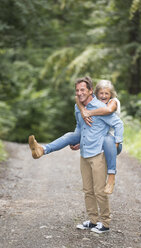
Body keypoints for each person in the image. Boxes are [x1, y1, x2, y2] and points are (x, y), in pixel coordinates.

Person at [29, 76, 123, 233]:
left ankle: (105, 224)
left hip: (99, 154)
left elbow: (118, 124)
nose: (79, 93)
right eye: (77, 90)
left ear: (91, 91)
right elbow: (80, 128)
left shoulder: (100, 107)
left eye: (83, 90)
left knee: (99, 191)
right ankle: (93, 221)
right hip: (85, 153)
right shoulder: (77, 107)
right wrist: (78, 140)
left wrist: (117, 142)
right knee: (87, 190)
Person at [75, 80, 122, 194]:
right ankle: (44, 149)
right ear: (96, 93)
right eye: (101, 93)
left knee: (107, 140)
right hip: (98, 140)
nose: (103, 96)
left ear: (111, 94)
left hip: (112, 141)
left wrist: (88, 113)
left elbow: (108, 110)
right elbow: (77, 99)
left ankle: (111, 178)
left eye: (106, 93)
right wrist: (82, 110)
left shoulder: (113, 102)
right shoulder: (93, 103)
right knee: (71, 136)